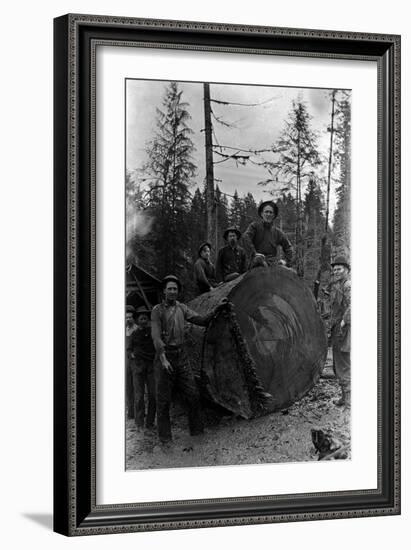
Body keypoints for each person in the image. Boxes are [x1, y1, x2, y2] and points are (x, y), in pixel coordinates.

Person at [151, 275, 228, 444]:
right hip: (165, 356)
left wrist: (216, 310)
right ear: (164, 291)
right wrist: (163, 358)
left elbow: (201, 320)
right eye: (169, 288)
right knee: (163, 401)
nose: (172, 291)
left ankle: (197, 433)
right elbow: (156, 336)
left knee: (193, 394)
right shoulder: (157, 310)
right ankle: (165, 440)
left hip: (181, 356)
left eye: (175, 289)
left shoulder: (182, 308)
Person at [127, 306, 156, 430]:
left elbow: (159, 346)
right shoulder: (134, 334)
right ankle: (139, 423)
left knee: (153, 395)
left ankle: (150, 422)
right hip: (138, 367)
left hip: (151, 367)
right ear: (137, 320)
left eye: (145, 318)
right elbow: (128, 350)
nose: (143, 320)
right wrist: (132, 356)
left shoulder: (153, 333)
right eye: (141, 318)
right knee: (138, 396)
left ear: (148, 320)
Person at [243, 200, 293, 268]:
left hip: (273, 263)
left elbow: (288, 247)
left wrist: (286, 261)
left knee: (290, 274)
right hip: (256, 261)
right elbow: (246, 237)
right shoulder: (254, 226)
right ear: (261, 214)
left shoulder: (278, 232)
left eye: (271, 212)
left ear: (274, 215)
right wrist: (254, 253)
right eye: (266, 212)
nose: (268, 214)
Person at [329, 256, 351, 407]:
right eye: (334, 269)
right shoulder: (337, 285)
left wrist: (344, 321)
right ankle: (345, 396)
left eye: (339, 269)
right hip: (338, 327)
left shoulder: (348, 285)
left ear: (347, 270)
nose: (336, 271)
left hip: (346, 328)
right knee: (338, 362)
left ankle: (349, 399)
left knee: (343, 362)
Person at [125, 305, 138, 419]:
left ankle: (139, 412)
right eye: (126, 317)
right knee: (128, 387)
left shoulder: (138, 329)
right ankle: (131, 412)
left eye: (130, 317)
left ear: (134, 318)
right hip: (125, 362)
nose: (128, 319)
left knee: (137, 387)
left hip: (136, 362)